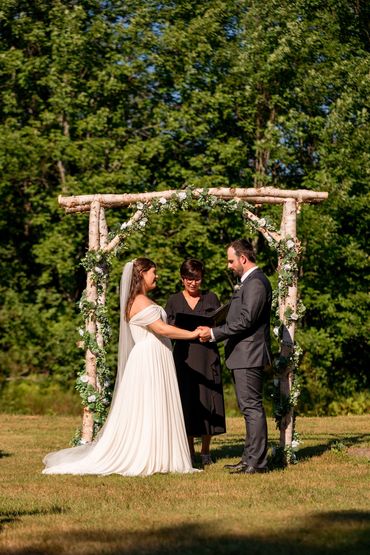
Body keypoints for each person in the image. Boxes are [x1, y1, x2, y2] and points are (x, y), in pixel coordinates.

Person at [42, 258, 202, 476]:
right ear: (142, 274)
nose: (156, 276)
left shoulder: (142, 299)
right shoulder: (139, 301)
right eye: (153, 272)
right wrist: (192, 334)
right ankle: (149, 456)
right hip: (149, 358)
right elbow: (162, 329)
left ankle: (162, 455)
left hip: (155, 356)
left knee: (156, 405)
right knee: (149, 406)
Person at [198, 239, 272, 474]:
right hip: (243, 354)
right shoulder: (248, 283)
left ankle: (257, 463)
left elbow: (246, 320)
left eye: (231, 260)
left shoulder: (256, 283)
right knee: (248, 408)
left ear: (243, 258)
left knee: (252, 408)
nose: (228, 265)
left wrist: (213, 333)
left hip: (250, 354)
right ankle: (248, 458)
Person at [165, 259, 226, 467]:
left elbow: (221, 326)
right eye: (189, 279)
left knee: (208, 401)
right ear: (182, 279)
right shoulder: (173, 301)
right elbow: (167, 330)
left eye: (197, 279)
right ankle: (189, 451)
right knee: (187, 402)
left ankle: (206, 451)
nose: (193, 283)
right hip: (184, 358)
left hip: (207, 355)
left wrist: (209, 334)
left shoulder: (211, 298)